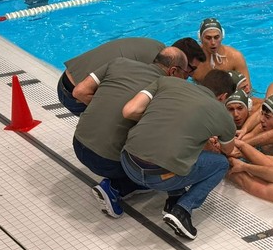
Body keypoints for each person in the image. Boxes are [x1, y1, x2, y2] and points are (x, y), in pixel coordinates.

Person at [72, 47, 189, 218]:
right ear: (173, 71)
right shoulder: (165, 89)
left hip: (78, 143)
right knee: (160, 168)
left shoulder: (119, 63)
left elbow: (79, 92)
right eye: (185, 75)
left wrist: (105, 109)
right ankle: (114, 188)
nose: (185, 81)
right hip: (107, 160)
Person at [120, 69, 236, 240]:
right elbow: (227, 151)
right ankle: (183, 209)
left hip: (127, 163)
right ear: (223, 96)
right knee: (220, 164)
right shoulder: (222, 114)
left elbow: (131, 110)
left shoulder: (167, 82)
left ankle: (173, 198)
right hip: (160, 177)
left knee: (178, 148)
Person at [58, 37, 205, 115]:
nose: (190, 75)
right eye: (190, 69)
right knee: (132, 116)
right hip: (74, 94)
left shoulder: (156, 47)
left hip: (67, 79)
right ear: (180, 61)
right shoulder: (152, 68)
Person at [192, 18, 251, 87]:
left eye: (216, 37)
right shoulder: (192, 58)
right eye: (208, 38)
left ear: (222, 36)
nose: (213, 42)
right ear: (200, 38)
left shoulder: (235, 57)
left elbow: (247, 88)